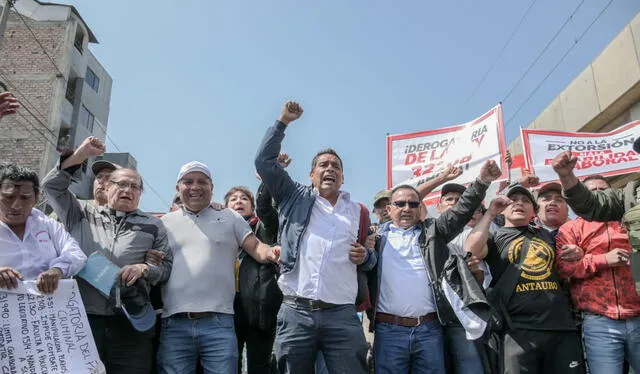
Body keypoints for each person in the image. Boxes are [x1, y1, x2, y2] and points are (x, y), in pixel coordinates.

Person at [255, 101, 376, 374]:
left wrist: (366, 256)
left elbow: (371, 257)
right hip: (296, 312)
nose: (329, 169)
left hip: (342, 316)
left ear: (343, 178)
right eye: (323, 165)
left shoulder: (359, 212)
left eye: (335, 166)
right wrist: (283, 121)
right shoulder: (292, 196)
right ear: (311, 175)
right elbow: (263, 162)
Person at [42, 136, 173, 374]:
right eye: (121, 184)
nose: (127, 190)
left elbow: (165, 269)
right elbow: (51, 186)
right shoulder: (80, 211)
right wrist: (80, 155)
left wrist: (144, 269)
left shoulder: (154, 225)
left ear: (141, 193)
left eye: (134, 187)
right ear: (106, 186)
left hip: (130, 322)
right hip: (80, 318)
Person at [367, 161, 500, 374]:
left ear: (420, 207)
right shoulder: (375, 238)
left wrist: (482, 181)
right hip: (388, 331)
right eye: (400, 204)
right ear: (389, 209)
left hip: (429, 330)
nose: (407, 208)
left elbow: (461, 211)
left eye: (413, 204)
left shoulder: (433, 231)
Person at [158, 161, 279, 374]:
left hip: (219, 323)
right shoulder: (163, 223)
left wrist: (271, 252)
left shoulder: (230, 217)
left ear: (212, 188)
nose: (195, 187)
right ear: (178, 188)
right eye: (188, 182)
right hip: (174, 324)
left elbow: (256, 247)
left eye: (202, 182)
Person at [465, 184, 585, 374]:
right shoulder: (494, 237)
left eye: (525, 201)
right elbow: (470, 249)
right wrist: (489, 214)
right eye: (512, 200)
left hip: (560, 327)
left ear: (534, 211)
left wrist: (577, 252)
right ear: (503, 207)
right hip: (516, 330)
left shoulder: (550, 236)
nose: (519, 203)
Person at [556, 174, 640, 374]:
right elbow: (563, 268)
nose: (597, 194)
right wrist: (602, 260)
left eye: (602, 190)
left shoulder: (630, 220)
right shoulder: (571, 228)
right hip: (599, 323)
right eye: (591, 191)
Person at [0, 164, 86, 293]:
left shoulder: (47, 225)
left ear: (36, 198)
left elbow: (76, 254)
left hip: (46, 308)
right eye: (8, 197)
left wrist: (57, 270)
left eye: (24, 198)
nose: (16, 206)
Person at [225, 185, 280, 374]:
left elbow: (266, 211)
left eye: (244, 199)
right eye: (233, 199)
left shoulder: (261, 228)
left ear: (252, 206)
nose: (238, 201)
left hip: (259, 312)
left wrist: (266, 180)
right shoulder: (218, 230)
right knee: (229, 365)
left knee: (259, 366)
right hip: (226, 312)